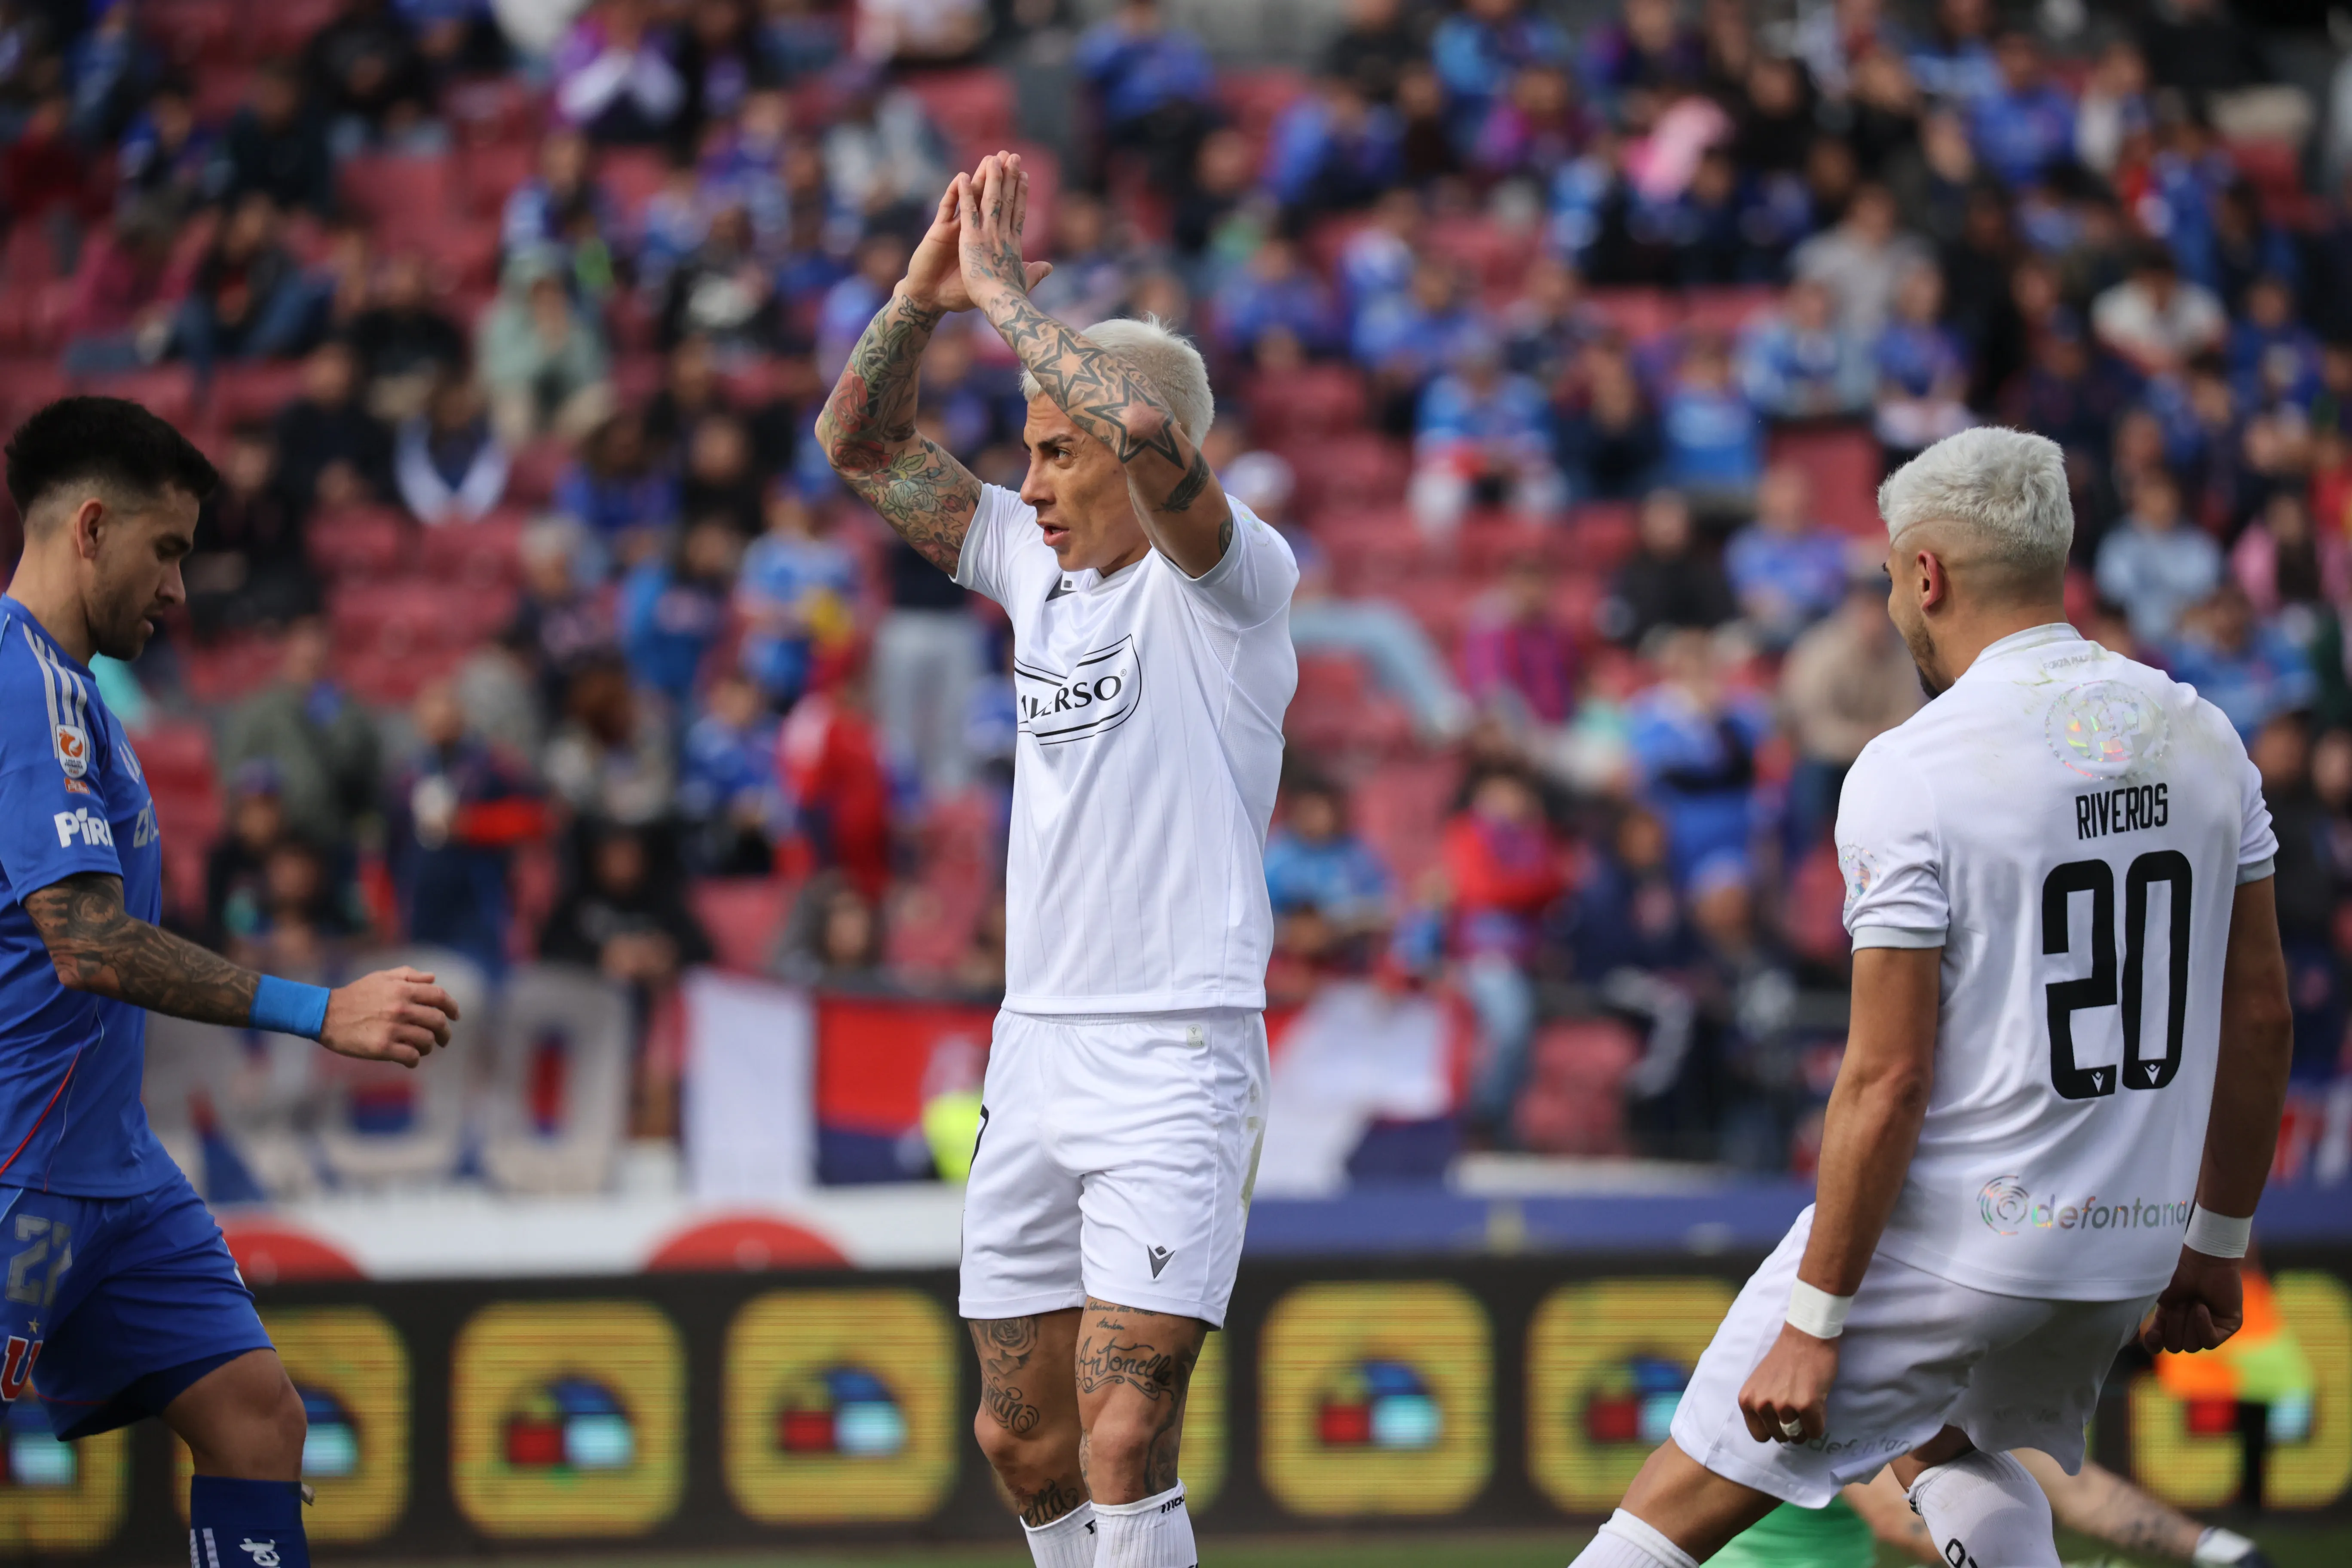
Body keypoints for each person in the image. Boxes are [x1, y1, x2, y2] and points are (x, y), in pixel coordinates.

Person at [1566, 426, 2292, 1568]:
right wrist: (2216, 1242)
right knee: (1949, 1452)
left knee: (1665, 1512)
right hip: (2123, 1254)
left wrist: (1817, 1324)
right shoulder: (2204, 736)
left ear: (1927, 573)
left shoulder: (1915, 767)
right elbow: (2260, 1019)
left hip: (1955, 1241)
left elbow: (1889, 1075)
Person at [816, 153, 1297, 1568]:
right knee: (1019, 1444)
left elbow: (1144, 422)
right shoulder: (1033, 570)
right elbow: (857, 444)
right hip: (1035, 1046)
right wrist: (923, 294)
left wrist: (1010, 297)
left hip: (1178, 1052)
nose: (1024, 483)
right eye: (1023, 450)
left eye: (1055, 450)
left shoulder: (1231, 585)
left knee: (1122, 1439)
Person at [0, 398, 459, 1568]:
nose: (182, 591)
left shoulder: (79, 700)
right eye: (169, 551)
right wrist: (322, 1011)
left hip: (114, 1170)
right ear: (91, 527)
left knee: (257, 1419)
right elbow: (88, 944)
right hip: (17, 1172)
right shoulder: (23, 689)